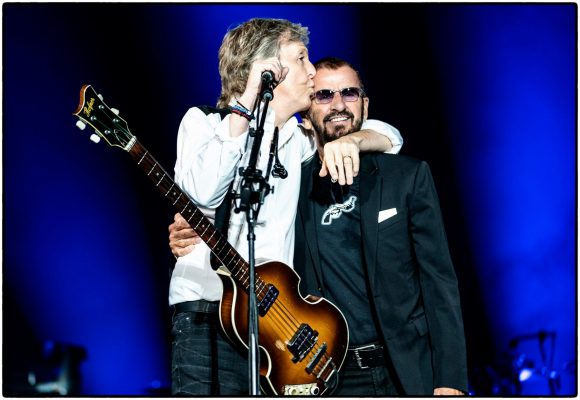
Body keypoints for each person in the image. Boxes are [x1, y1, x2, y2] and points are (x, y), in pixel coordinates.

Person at [171, 56, 468, 396]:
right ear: (307, 117)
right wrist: (192, 230)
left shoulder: (408, 176)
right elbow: (242, 222)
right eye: (324, 96)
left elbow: (439, 282)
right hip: (324, 375)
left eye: (349, 93)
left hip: (407, 370)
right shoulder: (291, 182)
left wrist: (451, 380)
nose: (339, 104)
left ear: (365, 105)